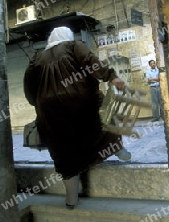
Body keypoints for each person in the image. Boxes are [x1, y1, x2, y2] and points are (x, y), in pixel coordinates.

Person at [23, 26, 131, 210]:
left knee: (62, 148)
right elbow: (92, 62)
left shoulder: (36, 58)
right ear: (68, 36)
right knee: (103, 114)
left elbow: (29, 86)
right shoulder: (74, 45)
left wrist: (39, 104)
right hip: (81, 99)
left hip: (49, 108)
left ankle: (71, 199)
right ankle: (117, 148)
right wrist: (111, 76)